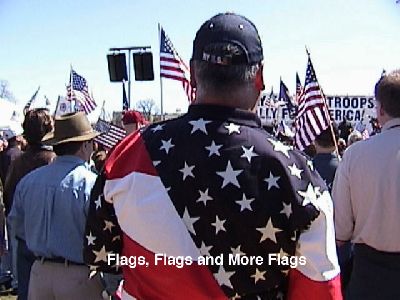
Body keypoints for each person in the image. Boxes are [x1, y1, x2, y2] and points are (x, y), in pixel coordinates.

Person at [97, 13, 341, 299]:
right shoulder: (299, 176)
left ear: (191, 73)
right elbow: (320, 289)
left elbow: (104, 254)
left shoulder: (128, 156)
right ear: (260, 77)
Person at [9, 112, 103, 299]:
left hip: (39, 273)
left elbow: (17, 227)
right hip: (78, 274)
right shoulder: (91, 184)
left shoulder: (29, 182)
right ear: (85, 145)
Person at [333, 69, 400, 299]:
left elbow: (340, 232)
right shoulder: (353, 155)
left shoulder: (354, 156)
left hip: (368, 280)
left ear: (380, 110)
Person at [4, 108, 55, 300]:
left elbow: (9, 196)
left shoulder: (18, 162)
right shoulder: (53, 161)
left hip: (24, 236)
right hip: (47, 245)